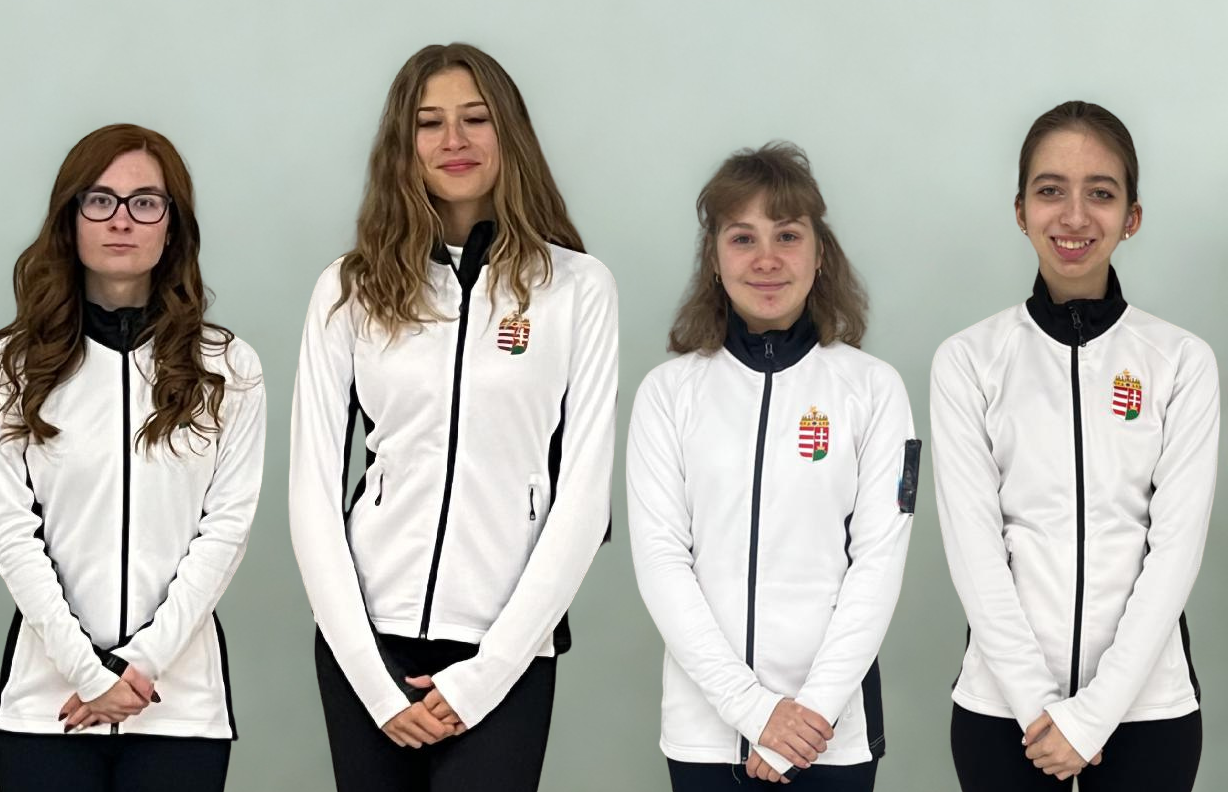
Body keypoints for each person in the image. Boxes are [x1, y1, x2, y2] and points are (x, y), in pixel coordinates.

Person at [288, 42, 617, 792]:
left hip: (506, 643)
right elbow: (311, 490)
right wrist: (369, 675)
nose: (454, 140)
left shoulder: (577, 288)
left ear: (510, 132)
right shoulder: (350, 288)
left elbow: (584, 497)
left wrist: (489, 672)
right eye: (429, 123)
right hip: (367, 641)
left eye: (476, 118)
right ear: (403, 145)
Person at [932, 100, 1217, 791]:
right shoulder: (968, 361)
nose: (1074, 216)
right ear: (1021, 210)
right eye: (1051, 190)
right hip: (1003, 713)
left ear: (1132, 217)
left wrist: (1092, 717)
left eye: (1101, 193)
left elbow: (1175, 550)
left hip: (1148, 712)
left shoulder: (1182, 361)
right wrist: (1041, 710)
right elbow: (975, 551)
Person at [0, 123, 264, 792]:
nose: (122, 220)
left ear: (173, 225)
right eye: (100, 200)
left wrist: (142, 663)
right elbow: (12, 533)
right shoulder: (7, 367)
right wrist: (87, 672)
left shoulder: (228, 367)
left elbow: (226, 529)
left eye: (146, 202)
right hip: (48, 704)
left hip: (179, 706)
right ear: (70, 217)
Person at [628, 142, 914, 791]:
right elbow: (662, 561)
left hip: (829, 736)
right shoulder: (667, 394)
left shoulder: (874, 390)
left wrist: (811, 713)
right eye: (742, 238)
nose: (766, 260)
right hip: (705, 734)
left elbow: (878, 564)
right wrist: (753, 711)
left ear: (820, 253)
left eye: (787, 235)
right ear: (714, 258)